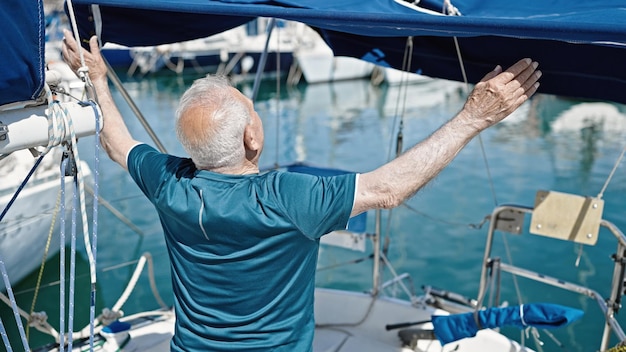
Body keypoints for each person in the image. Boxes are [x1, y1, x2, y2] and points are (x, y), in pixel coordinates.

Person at [62, 28, 541, 351]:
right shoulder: (289, 198)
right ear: (252, 137)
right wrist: (473, 117)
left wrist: (99, 80)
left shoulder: (168, 181)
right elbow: (389, 189)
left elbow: (115, 142)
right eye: (254, 110)